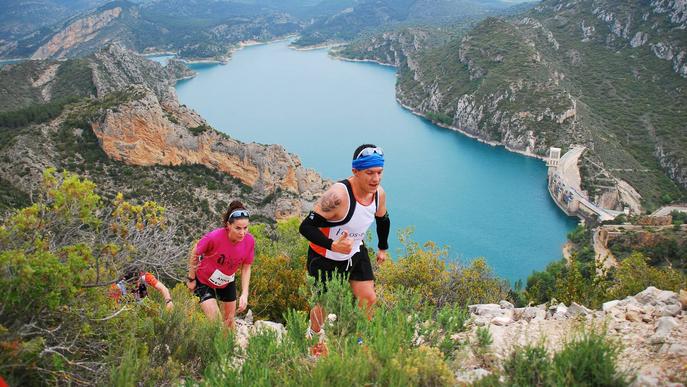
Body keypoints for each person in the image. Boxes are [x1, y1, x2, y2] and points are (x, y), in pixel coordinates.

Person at [299, 144, 390, 344]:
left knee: (368, 298)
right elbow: (306, 227)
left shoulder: (379, 194)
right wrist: (332, 245)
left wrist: (383, 248)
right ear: (355, 171)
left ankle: (359, 341)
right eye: (369, 173)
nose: (376, 179)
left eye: (379, 172)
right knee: (324, 303)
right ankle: (312, 337)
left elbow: (383, 219)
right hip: (325, 257)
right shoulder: (338, 196)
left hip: (355, 252)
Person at [187, 200, 254, 329]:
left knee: (229, 323)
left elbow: (246, 267)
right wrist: (191, 277)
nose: (242, 233)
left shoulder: (249, 241)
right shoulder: (214, 237)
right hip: (204, 281)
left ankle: (228, 349)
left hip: (227, 281)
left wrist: (245, 293)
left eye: (245, 228)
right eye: (238, 228)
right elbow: (195, 251)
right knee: (216, 323)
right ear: (228, 225)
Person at [109, 269, 174, 310]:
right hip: (125, 312)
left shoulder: (145, 277)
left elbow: (163, 288)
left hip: (144, 308)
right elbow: (113, 308)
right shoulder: (116, 287)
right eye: (132, 283)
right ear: (125, 280)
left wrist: (168, 301)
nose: (135, 286)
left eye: (137, 281)